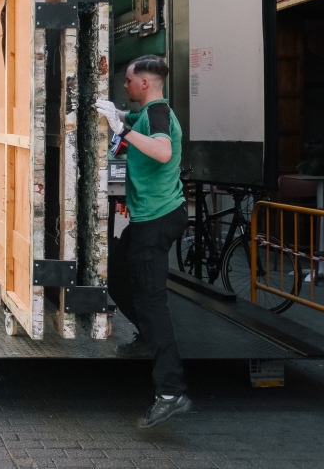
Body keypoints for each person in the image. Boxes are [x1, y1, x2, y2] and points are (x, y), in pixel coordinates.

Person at [95, 55, 191, 429]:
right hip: (147, 219)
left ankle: (171, 392)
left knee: (153, 302)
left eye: (129, 80)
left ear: (145, 84)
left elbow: (163, 151)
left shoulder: (159, 114)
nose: (125, 85)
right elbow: (127, 117)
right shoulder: (146, 113)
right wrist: (114, 114)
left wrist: (121, 132)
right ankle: (148, 337)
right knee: (117, 274)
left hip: (158, 219)